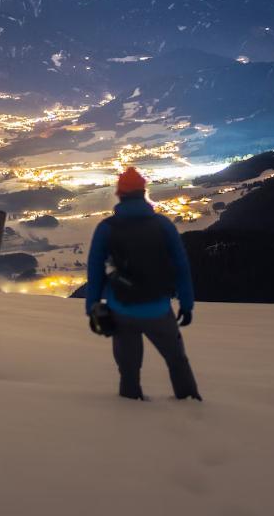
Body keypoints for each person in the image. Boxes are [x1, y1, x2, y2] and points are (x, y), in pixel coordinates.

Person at [85, 166, 202, 401]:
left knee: (128, 369)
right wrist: (186, 304)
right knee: (177, 360)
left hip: (121, 309)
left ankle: (130, 410)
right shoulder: (163, 225)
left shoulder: (106, 228)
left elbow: (95, 270)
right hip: (158, 308)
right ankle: (189, 403)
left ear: (119, 194)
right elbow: (181, 266)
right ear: (144, 193)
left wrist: (93, 307)